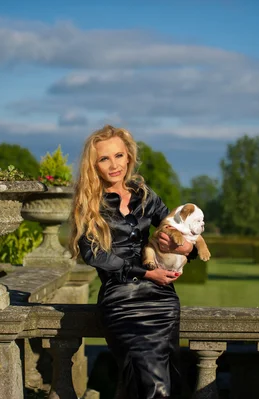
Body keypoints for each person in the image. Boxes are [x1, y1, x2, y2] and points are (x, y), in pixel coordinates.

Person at [69, 125, 196, 399]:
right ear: (94, 165)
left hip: (162, 301)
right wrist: (147, 274)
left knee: (165, 380)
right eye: (104, 159)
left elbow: (175, 228)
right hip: (121, 302)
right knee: (154, 387)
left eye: (119, 155)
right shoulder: (88, 204)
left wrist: (186, 247)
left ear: (129, 157)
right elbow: (96, 256)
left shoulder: (145, 196)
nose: (113, 165)